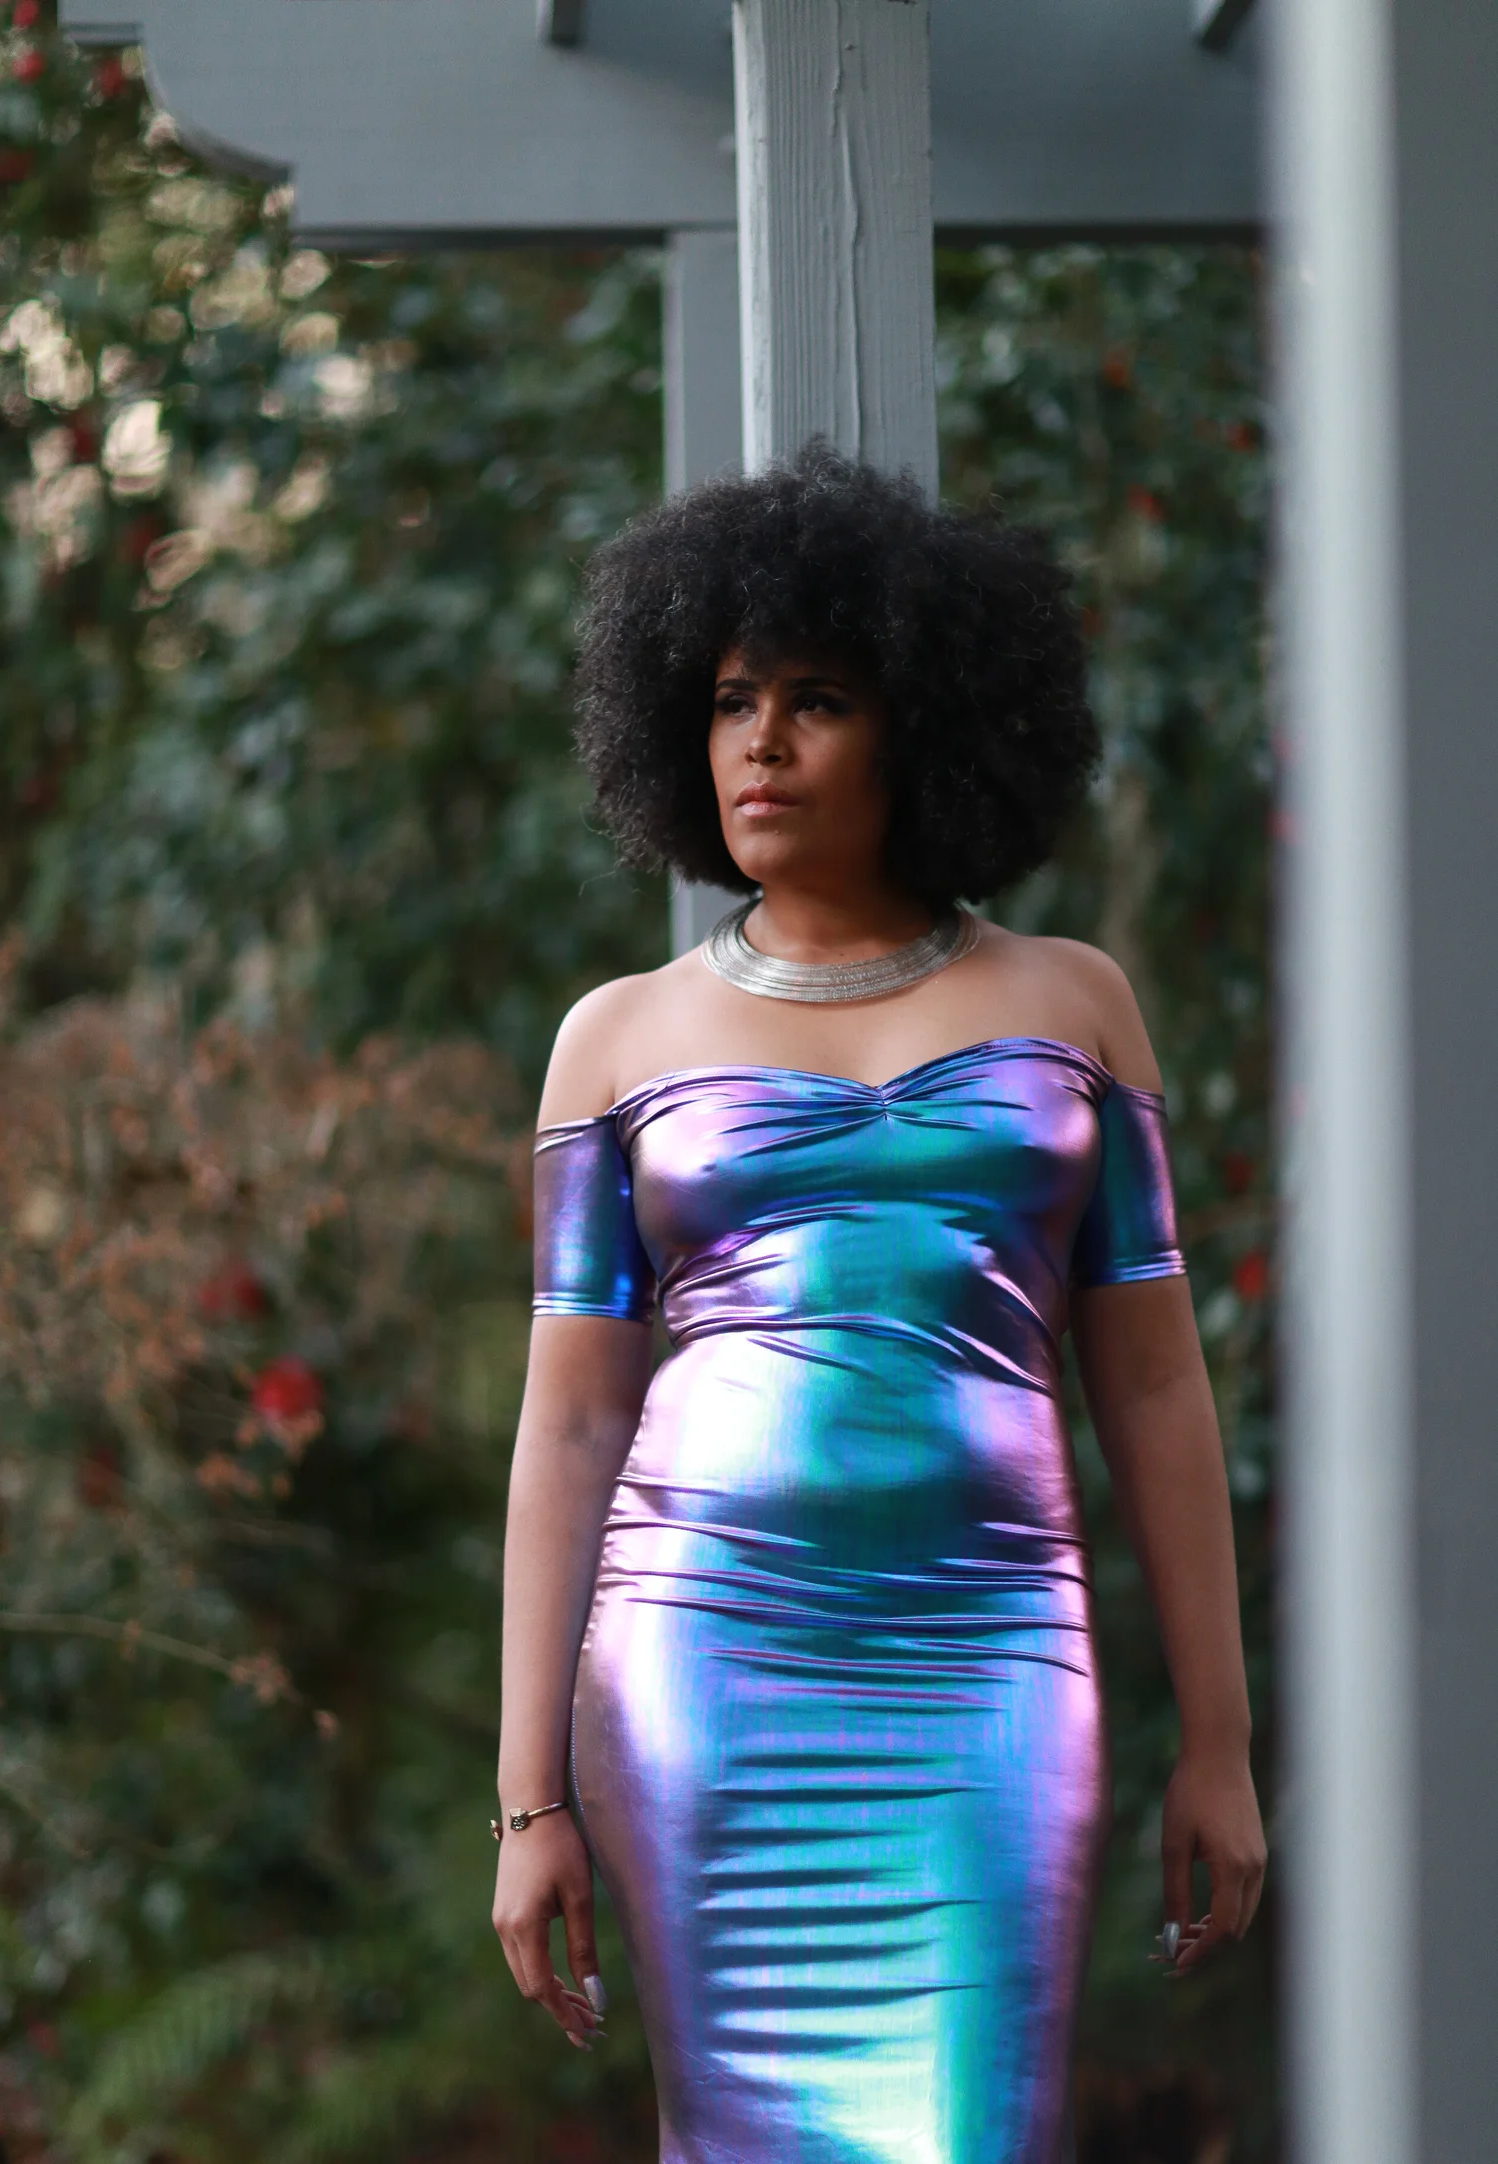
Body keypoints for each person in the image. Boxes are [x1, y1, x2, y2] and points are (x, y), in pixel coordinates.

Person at [491, 449, 1266, 2164]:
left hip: (991, 1670)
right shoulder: (616, 1036)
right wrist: (527, 1799)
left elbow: (1153, 1389)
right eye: (730, 702)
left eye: (817, 701)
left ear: (926, 724)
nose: (760, 744)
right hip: (704, 1671)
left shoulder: (1073, 1005)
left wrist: (1218, 1743)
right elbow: (571, 1420)